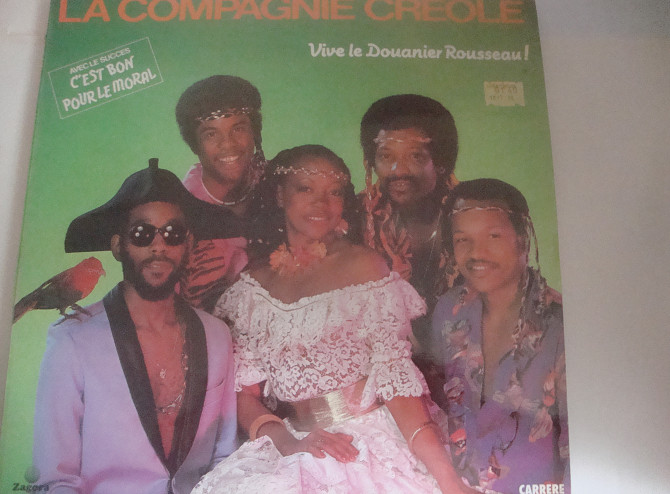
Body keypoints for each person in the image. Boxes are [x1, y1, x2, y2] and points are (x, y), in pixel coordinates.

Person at [192, 145, 477, 494]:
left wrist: (448, 482)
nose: (322, 204)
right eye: (306, 189)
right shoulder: (250, 289)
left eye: (334, 192)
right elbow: (243, 394)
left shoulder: (364, 268)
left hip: (365, 440)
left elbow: (397, 385)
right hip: (295, 443)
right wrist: (287, 442)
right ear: (280, 195)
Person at [32, 159, 240, 493]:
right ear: (118, 246)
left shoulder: (217, 335)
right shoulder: (72, 340)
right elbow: (55, 479)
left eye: (172, 234)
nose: (159, 247)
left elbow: (225, 458)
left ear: (188, 244)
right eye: (142, 234)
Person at [430, 178, 569, 493]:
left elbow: (580, 443)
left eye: (493, 236)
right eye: (463, 240)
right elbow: (441, 405)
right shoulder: (449, 310)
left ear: (523, 238)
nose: (477, 253)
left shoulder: (561, 324)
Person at [358, 93, 460, 402]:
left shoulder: (472, 214)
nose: (397, 170)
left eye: (415, 157)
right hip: (384, 388)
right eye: (385, 156)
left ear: (441, 162)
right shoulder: (352, 218)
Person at [175, 75, 266, 311]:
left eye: (238, 128)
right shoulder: (179, 212)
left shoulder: (284, 185)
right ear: (194, 144)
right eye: (211, 134)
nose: (228, 144)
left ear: (255, 133)